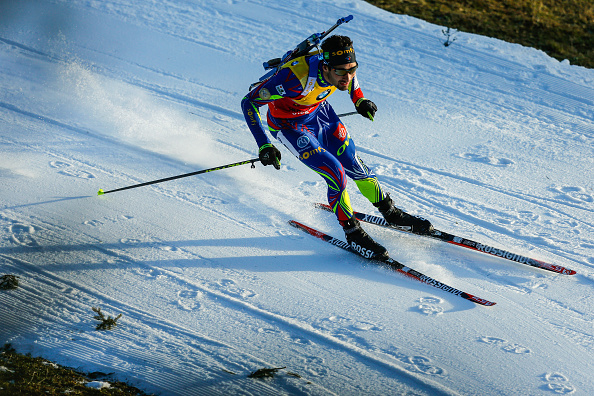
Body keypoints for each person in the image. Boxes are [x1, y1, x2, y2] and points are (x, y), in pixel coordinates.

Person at [241, 35, 433, 260]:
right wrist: (264, 144)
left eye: (352, 69)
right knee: (335, 172)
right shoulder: (294, 78)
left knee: (356, 166)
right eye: (341, 72)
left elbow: (349, 77)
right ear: (325, 66)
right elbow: (249, 102)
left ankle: (391, 213)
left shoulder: (341, 68)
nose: (348, 76)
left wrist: (359, 100)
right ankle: (352, 233)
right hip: (290, 126)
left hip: (322, 115)